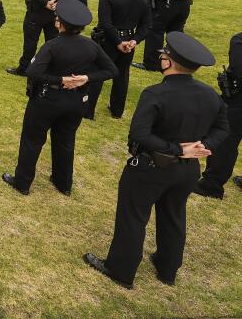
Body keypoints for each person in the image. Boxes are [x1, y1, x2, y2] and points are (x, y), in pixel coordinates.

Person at [84, 32, 229, 289]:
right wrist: (203, 146)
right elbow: (222, 129)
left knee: (133, 217)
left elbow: (140, 134)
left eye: (164, 55)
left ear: (168, 62)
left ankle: (121, 269)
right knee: (173, 215)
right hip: (187, 170)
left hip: (152, 167)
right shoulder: (210, 94)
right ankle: (167, 268)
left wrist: (176, 149)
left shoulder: (156, 93)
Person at [3, 0, 117, 196]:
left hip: (47, 100)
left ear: (59, 23)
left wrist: (61, 78)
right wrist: (86, 78)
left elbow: (33, 72)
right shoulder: (91, 46)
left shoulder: (52, 46)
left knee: (32, 140)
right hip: (75, 101)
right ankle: (63, 182)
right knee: (65, 140)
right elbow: (111, 70)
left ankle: (22, 182)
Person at [86, 0, 151, 120]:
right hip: (129, 40)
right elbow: (146, 25)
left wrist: (118, 42)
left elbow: (106, 24)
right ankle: (117, 110)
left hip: (109, 41)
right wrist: (134, 41)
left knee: (98, 73)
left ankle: (88, 110)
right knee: (122, 75)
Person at [195, 31, 242, 198]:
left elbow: (238, 68)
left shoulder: (239, 40)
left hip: (238, 101)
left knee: (225, 141)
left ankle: (212, 185)